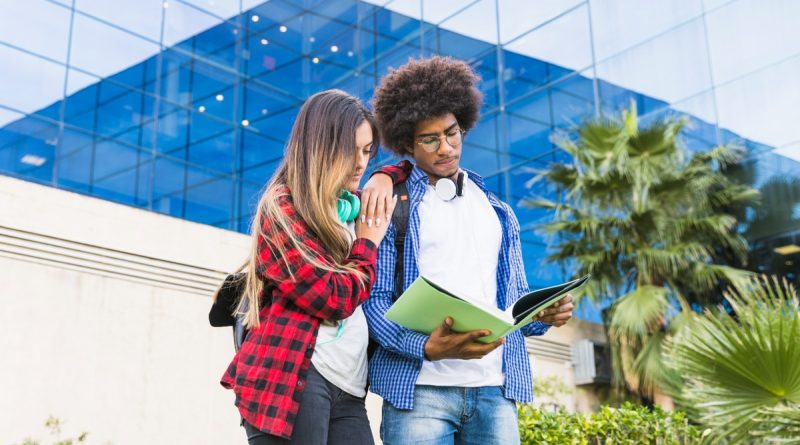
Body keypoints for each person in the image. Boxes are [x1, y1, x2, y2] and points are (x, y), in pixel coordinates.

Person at [361, 56, 575, 445]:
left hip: (495, 393)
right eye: (430, 139)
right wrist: (424, 346)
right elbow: (373, 301)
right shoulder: (394, 202)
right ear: (408, 143)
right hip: (419, 394)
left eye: (452, 133)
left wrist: (543, 314)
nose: (445, 147)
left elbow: (513, 305)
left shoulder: (498, 211)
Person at [219, 89, 405, 444]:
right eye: (351, 150)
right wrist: (366, 243)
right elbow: (334, 298)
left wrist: (385, 175)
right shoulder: (283, 207)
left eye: (368, 151)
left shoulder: (351, 208)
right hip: (294, 377)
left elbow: (412, 167)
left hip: (349, 386)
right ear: (321, 146)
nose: (361, 162)